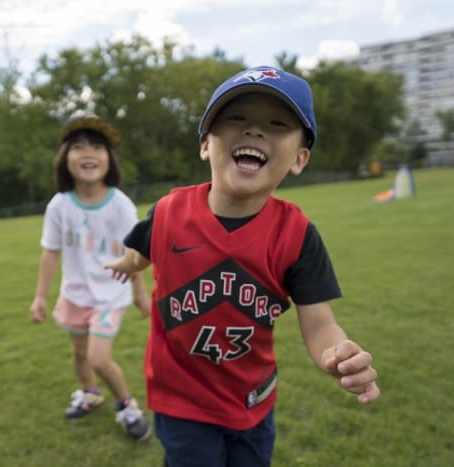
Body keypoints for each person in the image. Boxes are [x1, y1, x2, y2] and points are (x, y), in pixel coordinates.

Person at [105, 66, 380, 466]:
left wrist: (336, 353)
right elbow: (144, 250)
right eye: (235, 118)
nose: (254, 131)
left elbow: (319, 322)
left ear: (300, 158)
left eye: (276, 123)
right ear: (205, 144)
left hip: (253, 398)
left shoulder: (297, 235)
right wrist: (126, 262)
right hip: (180, 399)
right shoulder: (168, 213)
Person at [29, 113, 152, 441]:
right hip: (75, 294)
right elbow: (50, 251)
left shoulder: (120, 205)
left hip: (111, 294)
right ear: (64, 158)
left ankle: (126, 405)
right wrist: (41, 296)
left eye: (97, 147)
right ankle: (89, 393)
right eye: (78, 146)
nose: (88, 153)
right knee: (80, 354)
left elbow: (133, 254)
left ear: (109, 159)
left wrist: (141, 294)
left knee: (98, 357)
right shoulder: (59, 206)